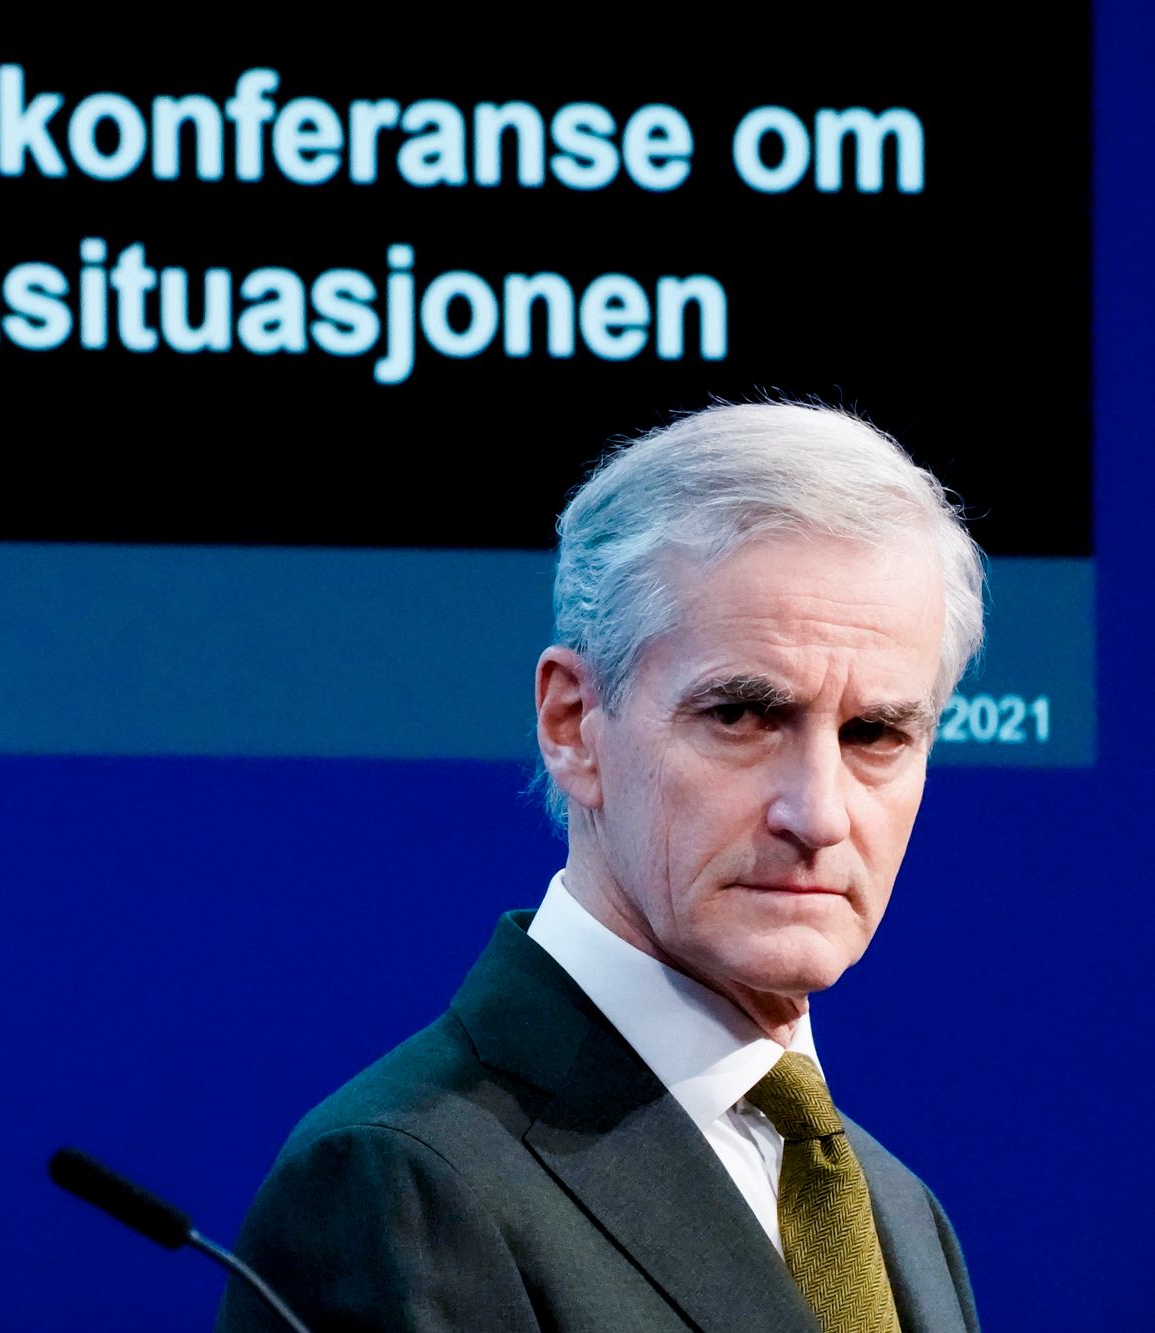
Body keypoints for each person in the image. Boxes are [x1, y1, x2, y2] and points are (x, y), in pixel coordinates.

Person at [217, 402, 982, 1333]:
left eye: (876, 733)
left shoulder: (903, 1213)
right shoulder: (401, 1185)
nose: (818, 814)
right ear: (573, 724)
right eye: (742, 715)